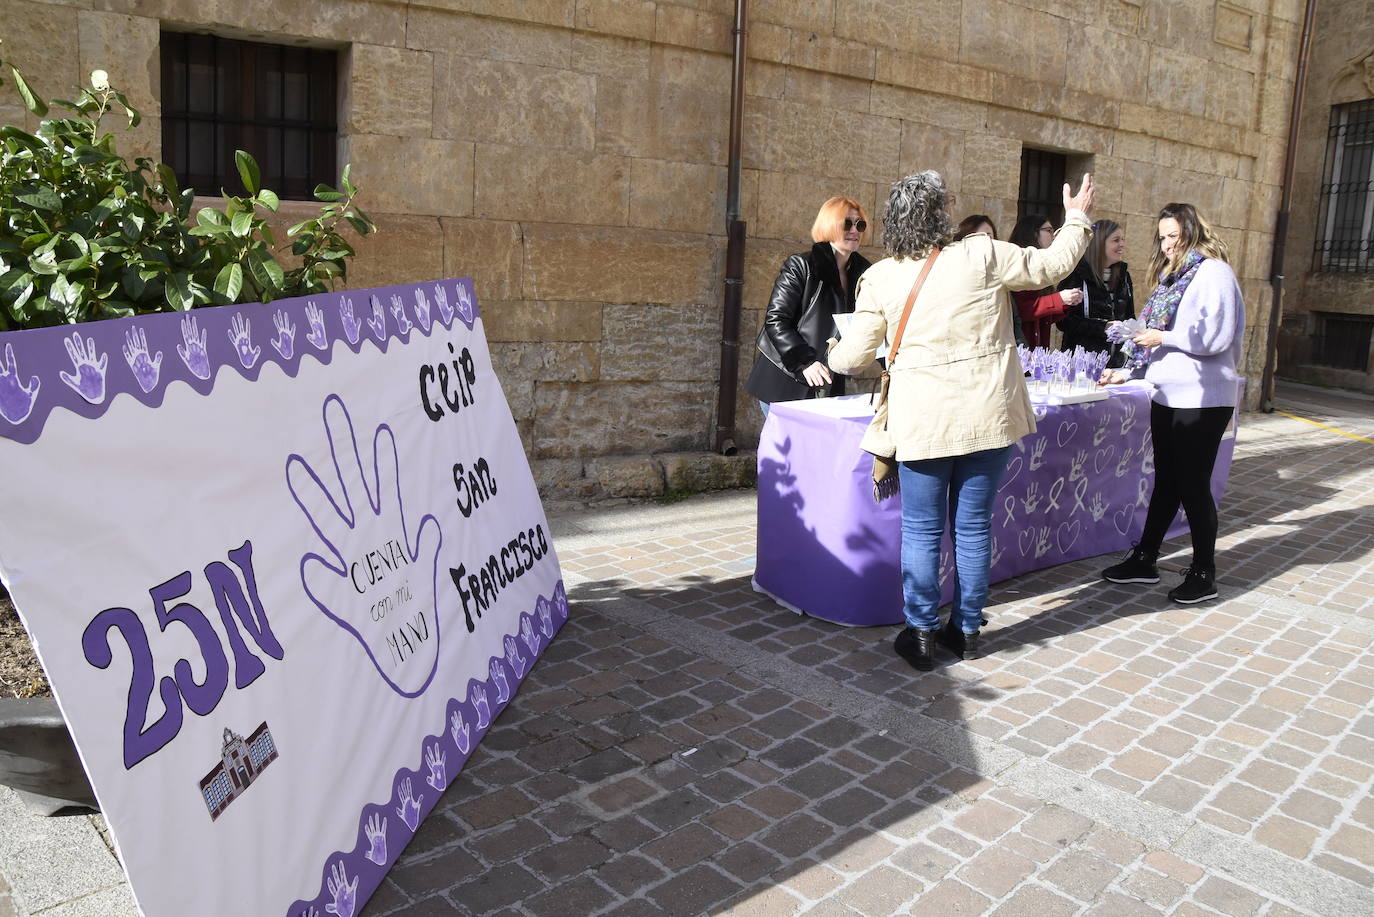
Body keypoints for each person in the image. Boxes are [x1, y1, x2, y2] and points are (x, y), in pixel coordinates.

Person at [828, 172, 1095, 670]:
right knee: (973, 527)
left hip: (924, 422)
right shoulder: (982, 253)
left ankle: (922, 632)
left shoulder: (882, 276)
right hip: (988, 416)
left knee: (923, 530)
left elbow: (851, 358)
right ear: (939, 215)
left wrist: (830, 351)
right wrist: (1076, 216)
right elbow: (1053, 264)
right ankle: (967, 629)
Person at [1099, 203, 1244, 605]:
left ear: (1192, 232)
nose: (1166, 245)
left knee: (1194, 485)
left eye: (1173, 236)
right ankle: (1145, 558)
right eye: (1161, 237)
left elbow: (1214, 337)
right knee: (1166, 480)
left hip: (1203, 397)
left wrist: (1162, 338)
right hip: (1169, 394)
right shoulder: (1173, 277)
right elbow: (1162, 350)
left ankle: (1204, 572)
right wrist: (1128, 372)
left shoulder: (1213, 271)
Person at [745, 198, 872, 414]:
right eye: (847, 224)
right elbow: (776, 320)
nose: (855, 231)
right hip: (786, 376)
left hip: (828, 380)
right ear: (829, 226)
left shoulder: (863, 274)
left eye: (860, 225)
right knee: (787, 448)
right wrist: (805, 362)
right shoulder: (801, 265)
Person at [1057, 219, 1135, 365]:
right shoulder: (1077, 275)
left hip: (1116, 364)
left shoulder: (1124, 276)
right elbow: (1064, 321)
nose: (1122, 244)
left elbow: (1129, 315)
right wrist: (1103, 327)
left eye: (1123, 239)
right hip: (1082, 364)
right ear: (1099, 243)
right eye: (1116, 240)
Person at [1009, 214, 1084, 347]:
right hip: (1020, 347)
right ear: (1032, 232)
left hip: (1036, 348)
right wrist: (1058, 300)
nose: (1053, 237)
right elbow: (1022, 310)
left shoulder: (1040, 262)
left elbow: (1043, 317)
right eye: (1049, 231)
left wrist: (1066, 302)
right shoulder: (1017, 261)